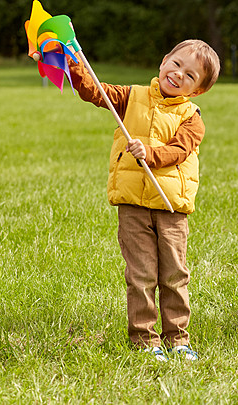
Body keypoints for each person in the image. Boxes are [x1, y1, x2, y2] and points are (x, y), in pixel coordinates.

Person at [68, 39, 220, 360]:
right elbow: (94, 91)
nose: (179, 74)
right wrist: (73, 63)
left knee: (174, 274)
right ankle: (144, 341)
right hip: (133, 205)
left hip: (170, 207)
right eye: (176, 65)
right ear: (164, 61)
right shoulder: (131, 97)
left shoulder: (192, 117)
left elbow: (180, 150)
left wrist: (149, 153)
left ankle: (178, 338)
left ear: (198, 91)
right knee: (141, 275)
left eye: (190, 76)